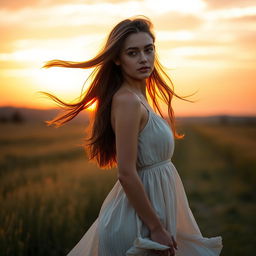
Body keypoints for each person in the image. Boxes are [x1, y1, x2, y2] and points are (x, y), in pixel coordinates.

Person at [40, 15, 223, 256]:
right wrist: (156, 227)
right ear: (117, 59)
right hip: (137, 224)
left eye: (148, 50)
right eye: (133, 53)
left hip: (151, 211)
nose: (144, 59)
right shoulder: (127, 101)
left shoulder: (139, 98)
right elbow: (126, 173)